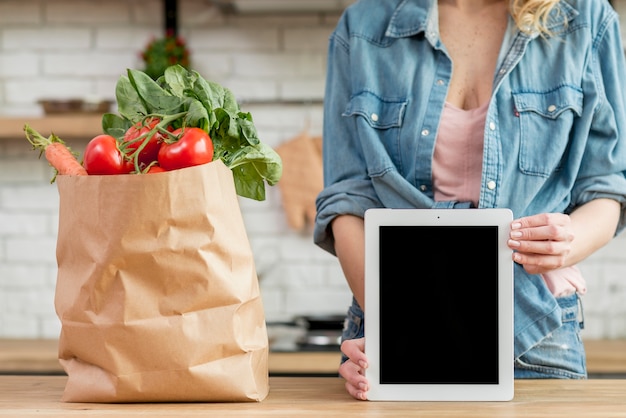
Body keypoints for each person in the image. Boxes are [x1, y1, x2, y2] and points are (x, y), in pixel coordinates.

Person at [313, 0, 626, 400]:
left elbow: (606, 186)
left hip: (530, 331)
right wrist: (390, 319)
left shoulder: (585, 18)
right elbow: (346, 198)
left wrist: (569, 240)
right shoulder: (364, 27)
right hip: (396, 326)